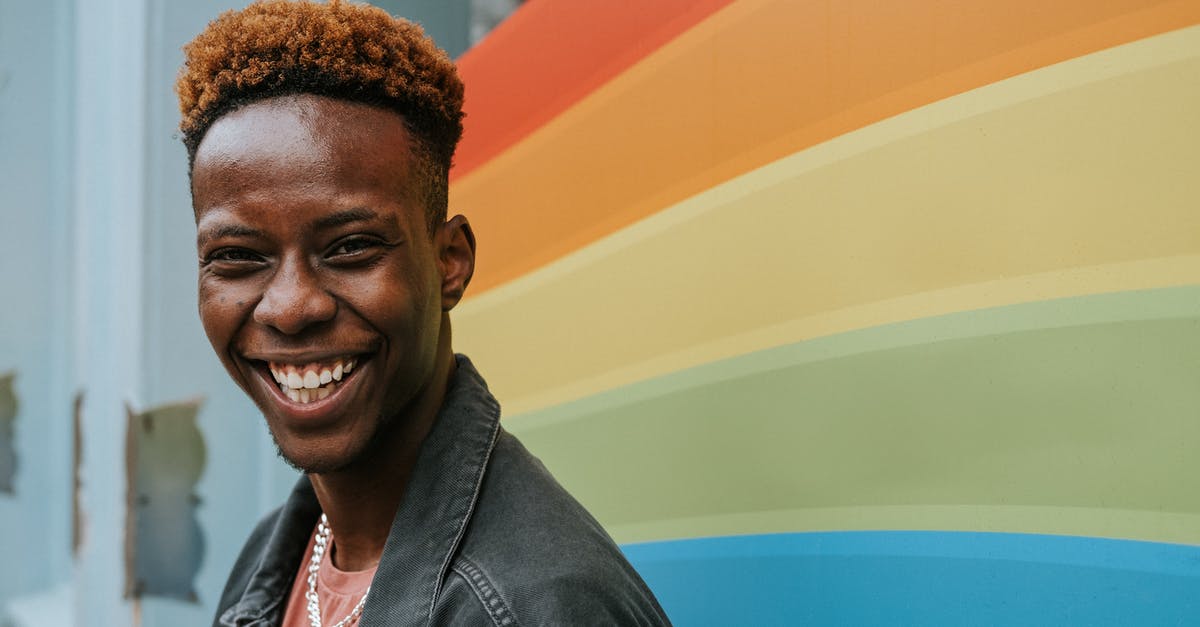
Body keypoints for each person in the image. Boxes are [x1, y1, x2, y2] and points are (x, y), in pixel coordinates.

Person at [177, 1, 672, 625]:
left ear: (450, 263)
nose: (291, 306)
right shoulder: (276, 555)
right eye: (237, 256)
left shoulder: (536, 604)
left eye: (351, 247)